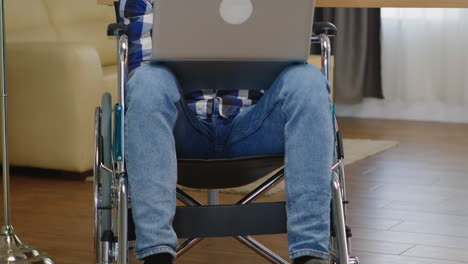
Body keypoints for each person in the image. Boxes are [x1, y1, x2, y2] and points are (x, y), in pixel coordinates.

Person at [119, 0, 334, 263]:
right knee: (146, 83)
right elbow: (142, 67)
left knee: (308, 81)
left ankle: (310, 253)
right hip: (181, 129)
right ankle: (157, 253)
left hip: (252, 124)